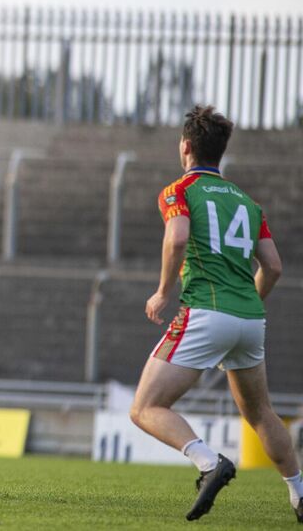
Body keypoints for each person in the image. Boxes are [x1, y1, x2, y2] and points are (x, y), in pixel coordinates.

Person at [129, 105, 302, 523]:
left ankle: (208, 462)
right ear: (219, 152)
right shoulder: (247, 201)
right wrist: (249, 304)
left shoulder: (179, 191)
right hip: (249, 319)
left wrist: (162, 292)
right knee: (261, 413)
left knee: (145, 408)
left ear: (186, 146)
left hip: (206, 310)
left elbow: (177, 240)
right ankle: (299, 491)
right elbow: (274, 265)